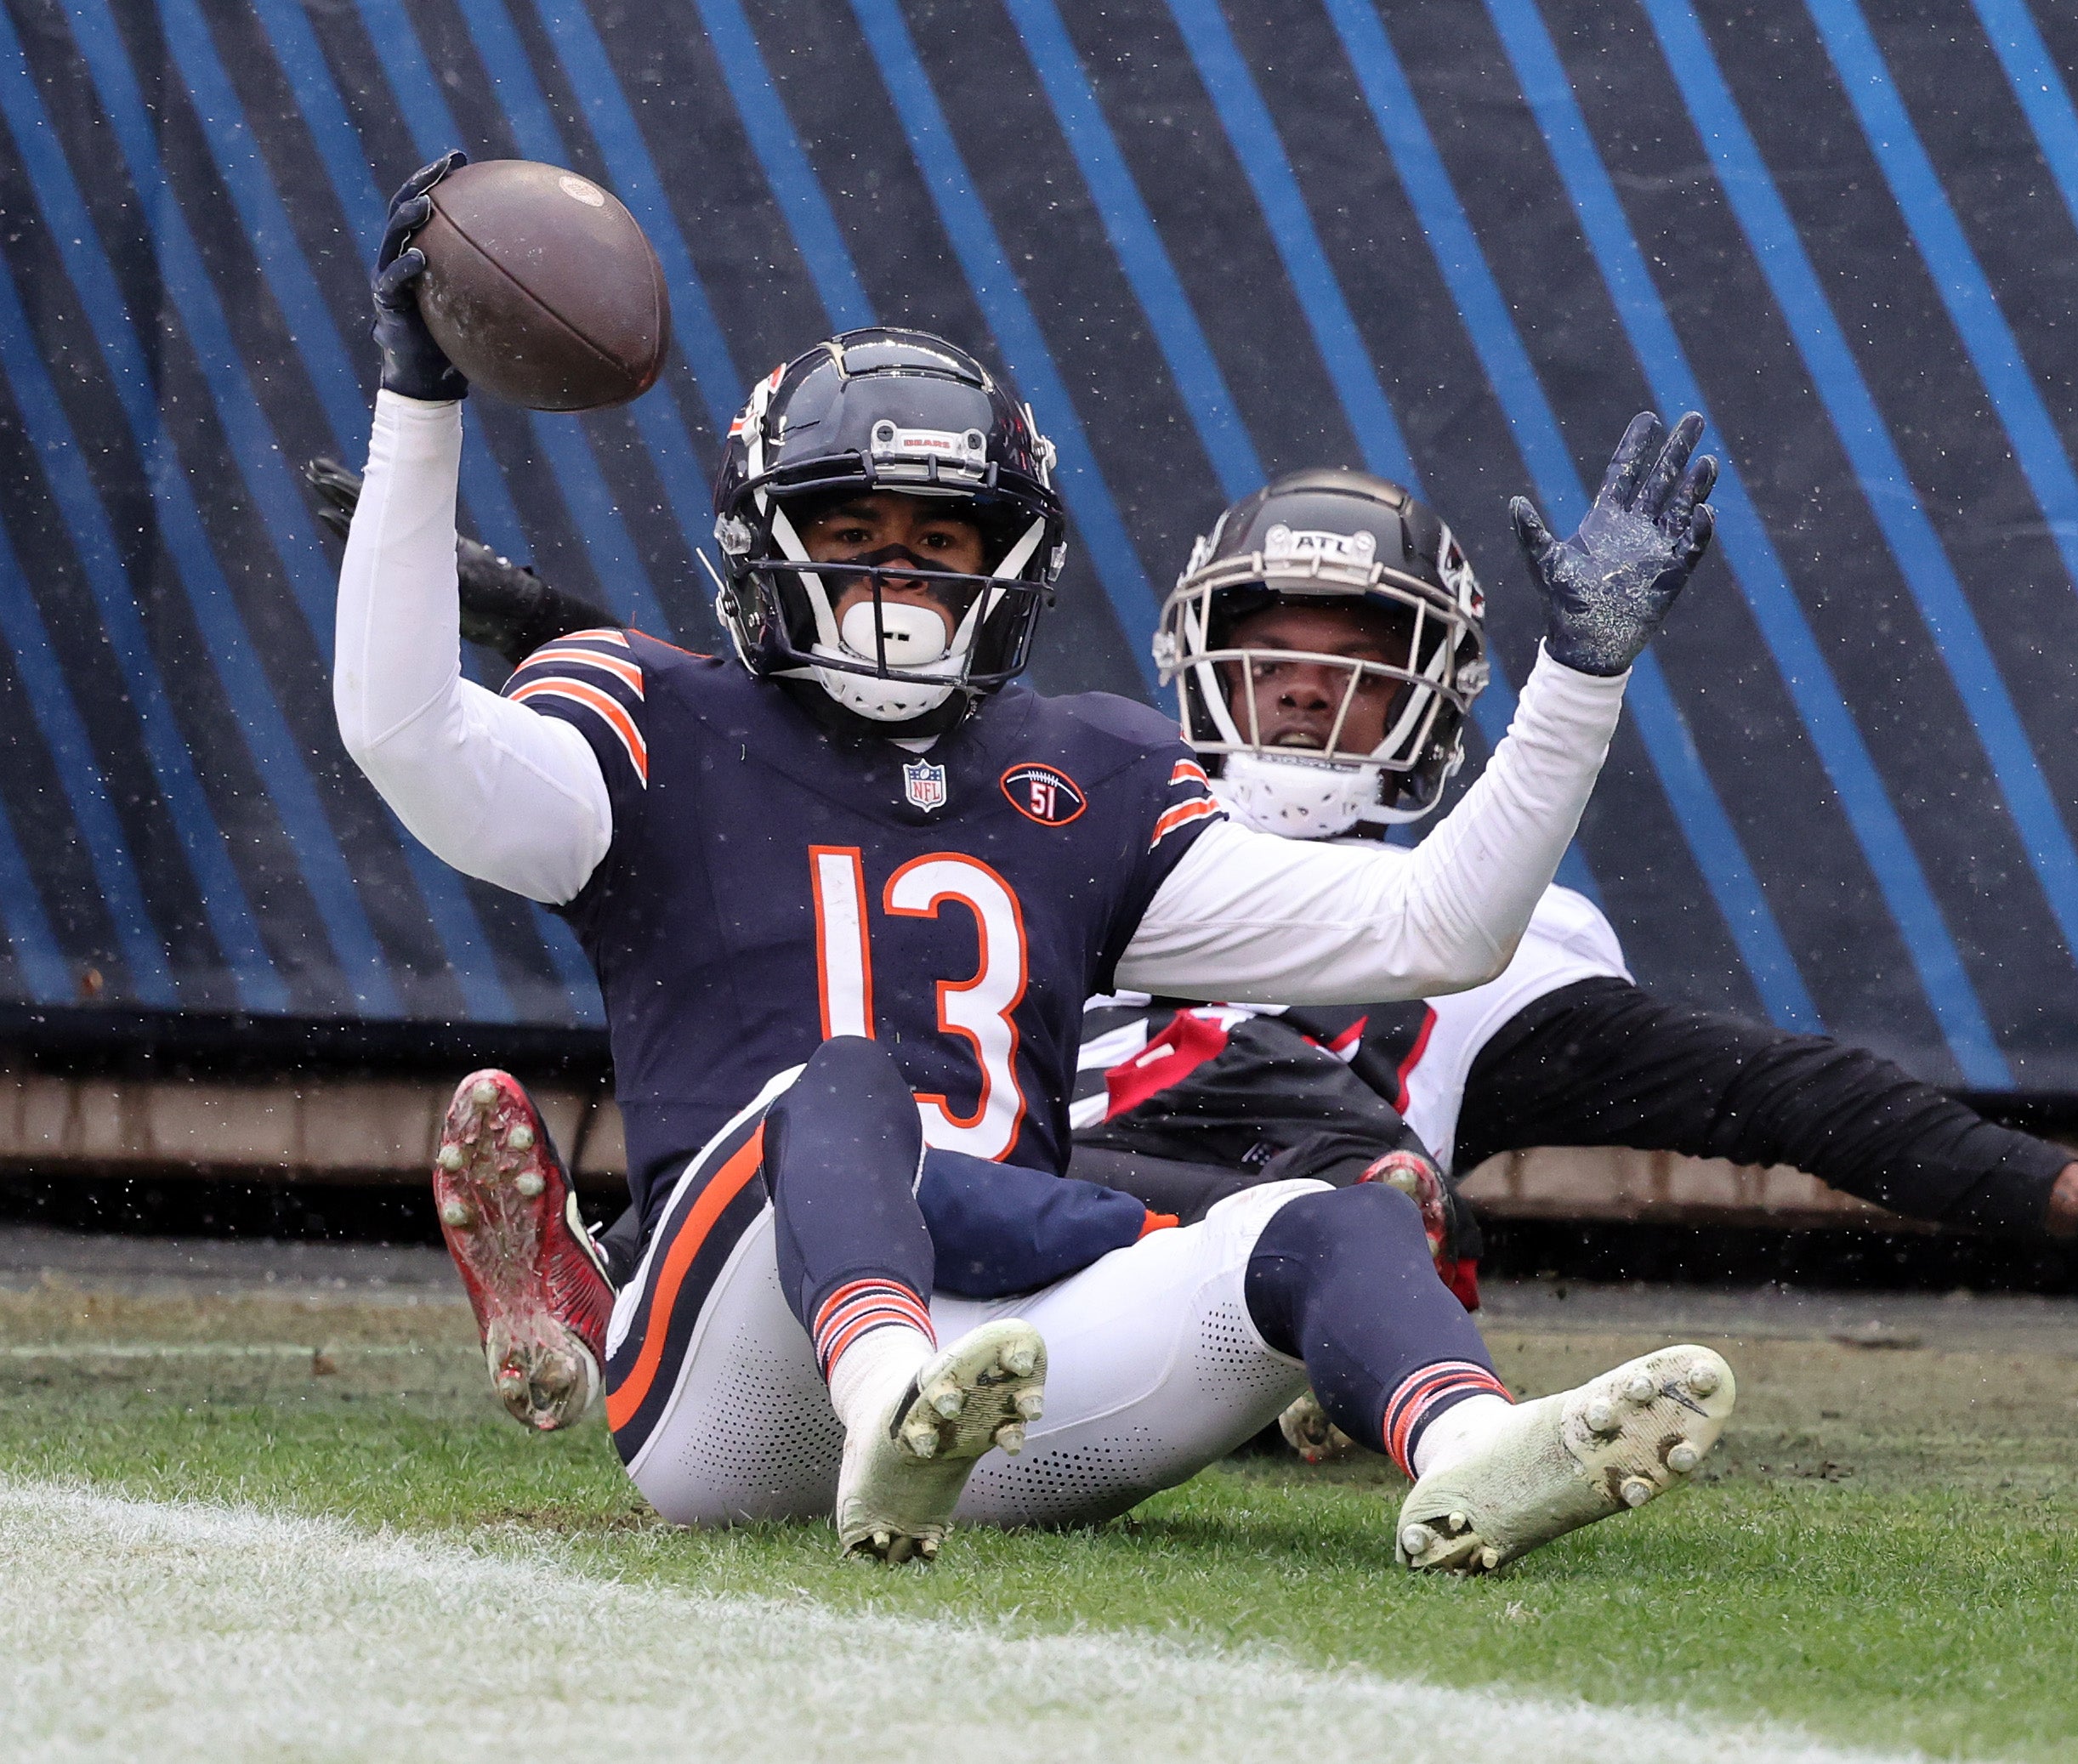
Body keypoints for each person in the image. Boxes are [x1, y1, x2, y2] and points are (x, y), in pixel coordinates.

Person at [337, 154, 1733, 1574]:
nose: (898, 577)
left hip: (1004, 1360)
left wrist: (1576, 679)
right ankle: (882, 1396)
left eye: (940, 538)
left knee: (1325, 1223)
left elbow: (1441, 923)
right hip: (727, 1373)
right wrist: (420, 403)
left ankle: (1469, 1449)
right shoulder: (657, 716)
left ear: (1012, 559)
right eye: (851, 533)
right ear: (764, 547)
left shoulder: (1084, 776)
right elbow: (403, 732)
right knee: (847, 1081)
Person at [1063, 467, 2078, 1461]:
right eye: (1277, 647)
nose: (1301, 688)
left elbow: (1787, 1092)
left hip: (1247, 1298)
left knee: (1309, 1178)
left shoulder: (1492, 946)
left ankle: (1360, 1346)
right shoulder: (1068, 831)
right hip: (1023, 1239)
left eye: (1352, 659)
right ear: (1196, 658)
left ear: (1434, 691)